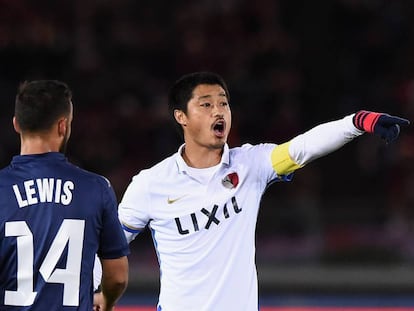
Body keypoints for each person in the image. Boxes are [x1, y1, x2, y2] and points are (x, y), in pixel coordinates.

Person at [117, 72, 410, 311]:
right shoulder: (150, 184)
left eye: (223, 103)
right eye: (206, 105)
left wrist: (357, 122)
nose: (218, 111)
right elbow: (108, 244)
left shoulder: (250, 164)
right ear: (181, 116)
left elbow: (302, 148)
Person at [0, 80, 129, 311]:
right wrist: (106, 302)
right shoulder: (96, 188)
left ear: (16, 124)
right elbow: (117, 276)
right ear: (63, 126)